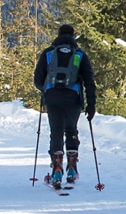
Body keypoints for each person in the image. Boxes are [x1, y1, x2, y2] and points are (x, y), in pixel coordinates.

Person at [34, 24, 96, 188]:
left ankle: (56, 170)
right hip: (73, 98)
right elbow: (89, 81)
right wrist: (91, 104)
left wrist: (46, 90)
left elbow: (37, 79)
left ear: (58, 35)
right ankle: (72, 169)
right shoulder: (79, 55)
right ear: (73, 36)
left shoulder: (48, 53)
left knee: (56, 131)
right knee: (71, 130)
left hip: (53, 97)